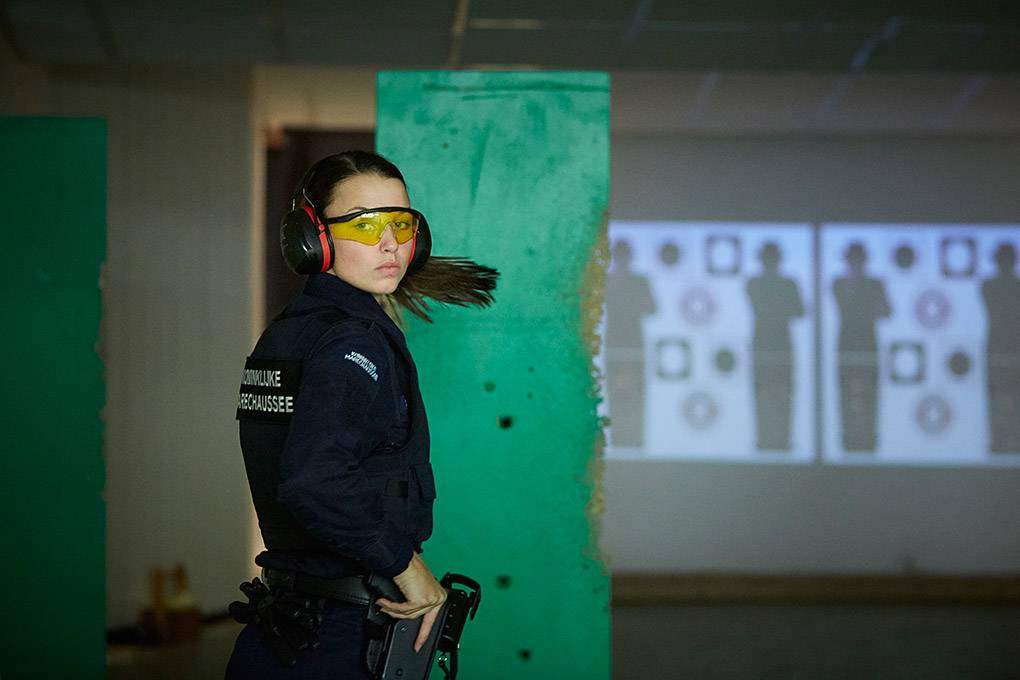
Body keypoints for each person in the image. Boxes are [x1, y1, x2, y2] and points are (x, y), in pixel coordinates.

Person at [226, 150, 498, 679]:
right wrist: (408, 569)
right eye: (364, 225)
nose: (390, 243)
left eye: (401, 223)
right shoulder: (352, 341)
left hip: (284, 627)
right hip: (336, 635)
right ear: (312, 238)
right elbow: (314, 481)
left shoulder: (289, 333)